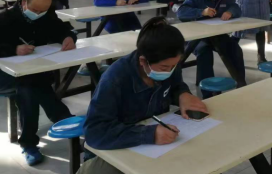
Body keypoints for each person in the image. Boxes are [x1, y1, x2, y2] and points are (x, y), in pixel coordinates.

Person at [78, 17, 208, 174]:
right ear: (143, 61)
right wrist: (149, 134)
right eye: (164, 67)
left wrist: (183, 94)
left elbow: (175, 85)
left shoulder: (168, 62)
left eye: (174, 66)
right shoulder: (115, 78)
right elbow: (95, 132)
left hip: (156, 146)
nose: (170, 71)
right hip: (114, 150)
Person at [0, 0, 76, 165]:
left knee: (31, 84)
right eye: (35, 10)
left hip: (32, 72)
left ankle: (30, 142)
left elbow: (63, 29)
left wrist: (68, 37)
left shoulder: (46, 15)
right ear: (24, 2)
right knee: (29, 87)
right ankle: (62, 119)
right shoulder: (5, 18)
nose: (38, 14)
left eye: (43, 11)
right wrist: (14, 49)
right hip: (5, 75)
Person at [177, 0, 246, 95]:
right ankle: (208, 93)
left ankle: (241, 83)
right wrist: (201, 12)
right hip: (198, 37)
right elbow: (181, 12)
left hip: (217, 34)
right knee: (205, 53)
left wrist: (230, 12)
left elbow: (236, 7)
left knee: (235, 48)